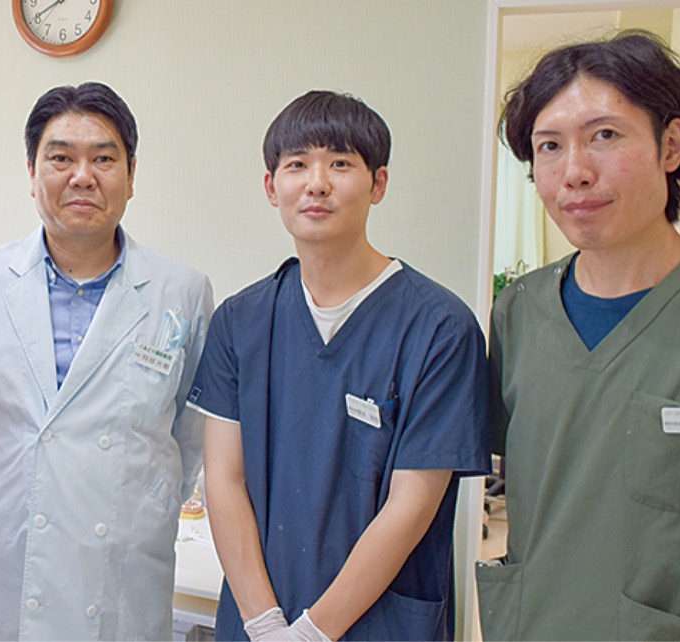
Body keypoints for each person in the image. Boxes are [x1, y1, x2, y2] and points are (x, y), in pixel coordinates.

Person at [481, 30, 680, 641]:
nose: (575, 173)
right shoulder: (518, 313)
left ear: (671, 145)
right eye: (549, 146)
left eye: (605, 135)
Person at [189, 90, 490, 641]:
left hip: (379, 626)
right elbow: (224, 479)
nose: (317, 183)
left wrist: (310, 634)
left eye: (341, 163)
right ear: (271, 187)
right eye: (297, 165)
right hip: (259, 618)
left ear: (379, 183)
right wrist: (266, 625)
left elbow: (411, 504)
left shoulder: (440, 329)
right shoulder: (241, 321)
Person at [0, 81, 213, 641]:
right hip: (13, 571)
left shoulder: (181, 291)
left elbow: (189, 438)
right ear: (31, 172)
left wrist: (139, 502)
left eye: (104, 159)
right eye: (61, 158)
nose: (82, 176)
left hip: (123, 576)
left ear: (131, 176)